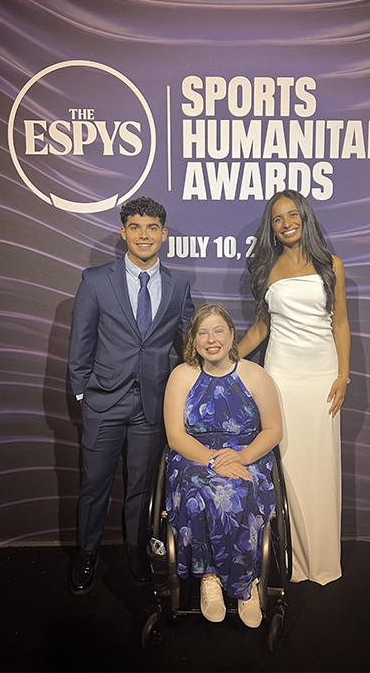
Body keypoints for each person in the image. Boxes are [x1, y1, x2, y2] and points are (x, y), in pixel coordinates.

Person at [68, 196, 194, 594]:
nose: (144, 235)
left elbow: (186, 342)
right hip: (103, 401)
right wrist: (83, 394)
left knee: (141, 487)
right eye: (136, 227)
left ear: (164, 235)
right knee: (95, 484)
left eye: (152, 228)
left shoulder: (178, 285)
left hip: (151, 407)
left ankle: (136, 551)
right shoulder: (95, 279)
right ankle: (86, 553)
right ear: (124, 233)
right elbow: (81, 343)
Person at [238, 189, 351, 586]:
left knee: (319, 468)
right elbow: (261, 329)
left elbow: (339, 324)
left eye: (292, 215)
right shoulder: (267, 269)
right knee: (287, 466)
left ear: (304, 217)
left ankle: (320, 559)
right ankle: (288, 558)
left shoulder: (330, 264)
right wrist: (226, 358)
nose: (286, 224)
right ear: (271, 228)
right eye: (277, 219)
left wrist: (343, 375)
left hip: (321, 379)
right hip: (281, 376)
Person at [164, 305, 282, 627]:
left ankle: (245, 586)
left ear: (232, 336)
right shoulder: (182, 376)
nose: (211, 339)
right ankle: (210, 578)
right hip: (194, 453)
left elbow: (273, 430)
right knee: (199, 489)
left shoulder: (255, 375)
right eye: (203, 332)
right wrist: (213, 460)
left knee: (241, 488)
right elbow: (175, 436)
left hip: (245, 452)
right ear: (194, 339)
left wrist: (241, 457)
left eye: (218, 331)